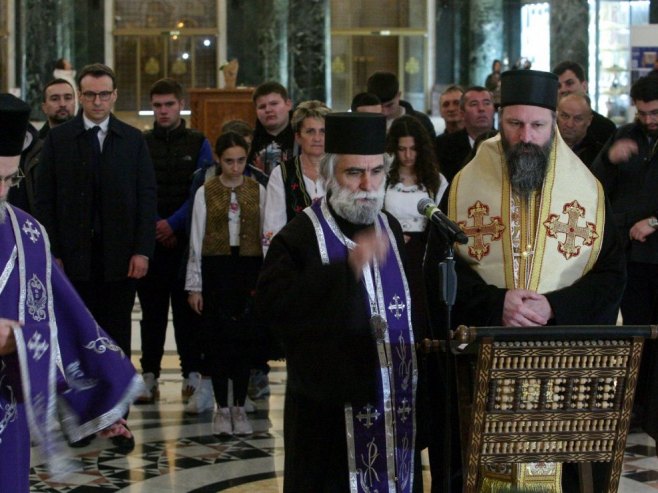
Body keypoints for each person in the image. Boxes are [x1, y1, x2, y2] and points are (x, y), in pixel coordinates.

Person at [426, 69, 625, 492]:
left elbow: (610, 277)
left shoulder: (588, 190)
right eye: (515, 124)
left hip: (561, 362)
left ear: (553, 124)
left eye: (537, 125)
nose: (526, 136)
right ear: (500, 121)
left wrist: (555, 307)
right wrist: (496, 303)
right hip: (485, 358)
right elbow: (439, 267)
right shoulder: (464, 184)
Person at [256, 112, 425, 492]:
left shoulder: (391, 228)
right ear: (330, 175)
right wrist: (344, 270)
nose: (367, 184)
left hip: (394, 408)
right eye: (354, 173)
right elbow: (271, 310)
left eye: (376, 172)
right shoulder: (299, 236)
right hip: (328, 418)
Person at [0, 92, 139, 493]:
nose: (2, 193)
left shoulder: (27, 234)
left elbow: (66, 323)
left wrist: (101, 398)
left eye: (10, 179)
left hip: (5, 417)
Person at [35, 63, 157, 453]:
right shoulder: (60, 139)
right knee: (75, 341)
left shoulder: (133, 139)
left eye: (105, 94)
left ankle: (117, 420)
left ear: (115, 95)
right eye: (90, 94)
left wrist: (142, 250)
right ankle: (83, 421)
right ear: (80, 96)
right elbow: (46, 201)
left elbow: (145, 198)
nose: (98, 101)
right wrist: (51, 253)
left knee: (115, 342)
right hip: (72, 264)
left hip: (120, 262)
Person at [136, 78, 213, 404]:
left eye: (169, 104)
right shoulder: (140, 142)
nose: (163, 111)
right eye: (157, 105)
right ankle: (149, 375)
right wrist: (156, 224)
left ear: (180, 105)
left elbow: (201, 190)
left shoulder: (198, 142)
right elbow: (137, 186)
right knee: (151, 312)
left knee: (187, 313)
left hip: (184, 242)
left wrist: (173, 223)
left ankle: (191, 373)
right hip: (151, 241)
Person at [591, 74, 658, 444]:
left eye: (655, 112)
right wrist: (611, 161)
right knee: (635, 331)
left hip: (655, 248)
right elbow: (594, 183)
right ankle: (632, 409)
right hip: (630, 256)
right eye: (642, 112)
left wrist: (654, 221)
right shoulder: (625, 135)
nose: (648, 120)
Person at [186, 132, 266, 436]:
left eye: (241, 161)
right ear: (219, 159)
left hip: (248, 267)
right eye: (229, 161)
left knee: (243, 341)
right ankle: (221, 407)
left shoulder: (257, 190)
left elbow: (265, 235)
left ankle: (239, 405)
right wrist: (194, 286)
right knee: (217, 341)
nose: (235, 167)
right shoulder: (205, 192)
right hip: (216, 267)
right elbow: (195, 239)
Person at [384, 114, 448, 336]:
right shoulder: (383, 178)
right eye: (402, 149)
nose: (408, 155)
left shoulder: (435, 180)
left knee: (420, 311)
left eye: (413, 149)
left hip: (423, 253)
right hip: (389, 251)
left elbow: (442, 220)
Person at [262, 100, 330, 254]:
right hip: (295, 262)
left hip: (337, 263)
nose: (317, 138)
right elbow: (272, 229)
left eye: (323, 131)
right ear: (298, 137)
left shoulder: (341, 171)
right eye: (310, 131)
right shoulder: (282, 174)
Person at [435, 86, 496, 183]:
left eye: (486, 103)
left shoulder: (506, 143)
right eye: (474, 104)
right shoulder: (442, 146)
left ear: (494, 110)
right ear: (462, 113)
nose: (481, 109)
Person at [552, 60, 616, 145]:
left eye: (569, 83)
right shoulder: (546, 123)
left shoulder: (605, 128)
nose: (563, 89)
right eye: (558, 86)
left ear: (584, 86)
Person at [367, 70, 437, 138]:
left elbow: (430, 148)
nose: (384, 112)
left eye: (389, 105)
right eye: (379, 106)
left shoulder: (421, 122)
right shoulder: (363, 123)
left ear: (398, 95)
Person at [247, 81, 295, 177]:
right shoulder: (249, 142)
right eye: (262, 106)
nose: (268, 110)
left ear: (288, 105)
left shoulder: (303, 136)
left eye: (274, 104)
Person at [556, 92, 603, 168]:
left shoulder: (599, 155)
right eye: (565, 116)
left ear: (589, 121)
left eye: (577, 119)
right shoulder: (542, 148)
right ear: (556, 115)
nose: (569, 124)